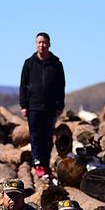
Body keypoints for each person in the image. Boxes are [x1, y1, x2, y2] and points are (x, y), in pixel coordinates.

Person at [19, 32, 66, 181]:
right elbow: (23, 85)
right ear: (35, 45)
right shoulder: (29, 63)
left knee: (47, 137)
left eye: (44, 42)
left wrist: (60, 104)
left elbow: (61, 86)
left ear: (49, 44)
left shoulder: (56, 64)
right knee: (35, 136)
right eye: (39, 42)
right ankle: (37, 163)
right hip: (33, 106)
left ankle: (45, 165)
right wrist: (23, 104)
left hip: (50, 106)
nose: (42, 45)